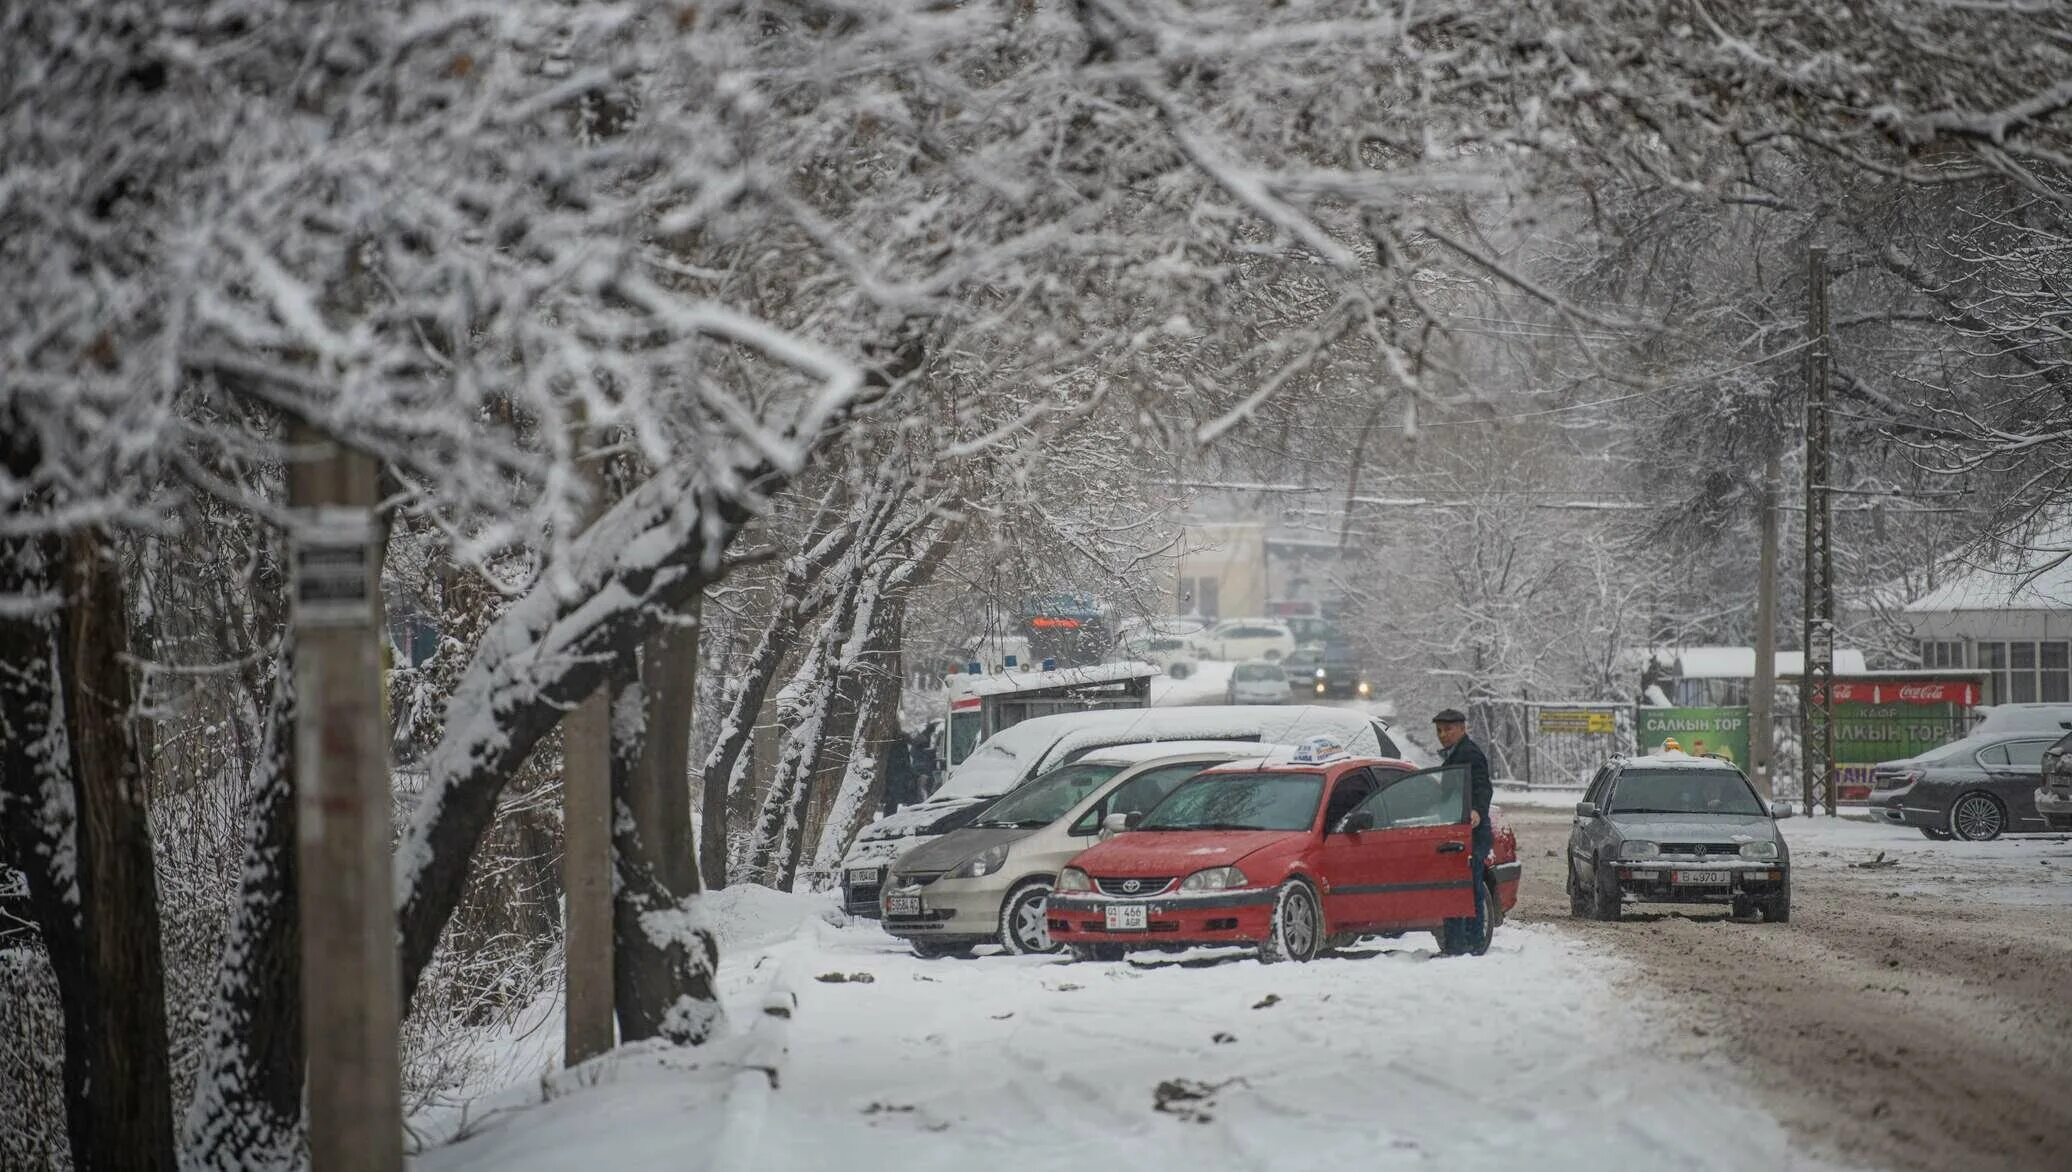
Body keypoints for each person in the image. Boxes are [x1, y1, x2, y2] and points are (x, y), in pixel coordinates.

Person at [1432, 708, 1493, 954]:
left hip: (1472, 834)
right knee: (1458, 887)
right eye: (1439, 731)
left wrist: (1477, 810)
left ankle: (1472, 942)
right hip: (1458, 832)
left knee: (1470, 887)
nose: (1443, 735)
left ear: (1462, 728)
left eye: (1448, 729)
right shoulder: (1454, 755)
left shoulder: (1470, 754)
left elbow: (1482, 788)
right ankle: (1458, 944)